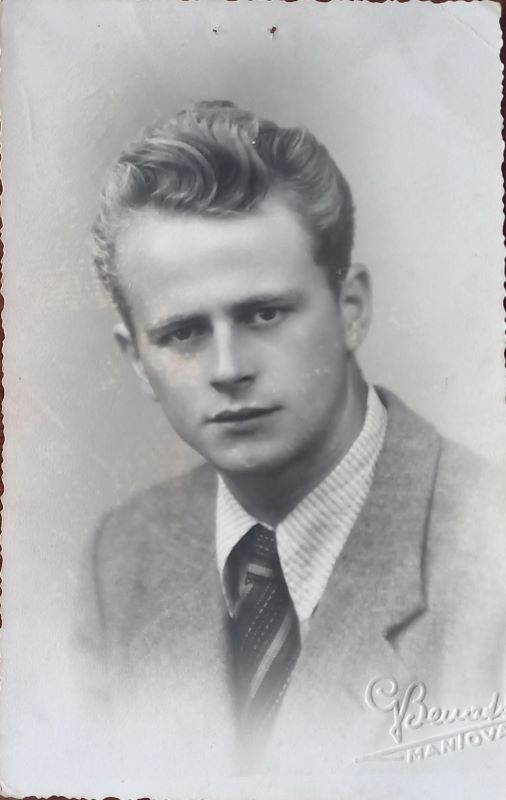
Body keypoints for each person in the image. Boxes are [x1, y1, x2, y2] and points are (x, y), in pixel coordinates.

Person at [79, 100, 505, 776]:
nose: (228, 369)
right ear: (136, 360)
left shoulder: (489, 555)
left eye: (264, 314)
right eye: (183, 332)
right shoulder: (123, 555)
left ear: (351, 309)